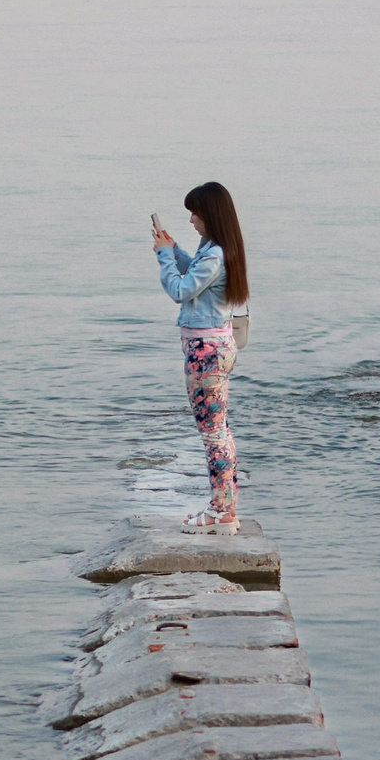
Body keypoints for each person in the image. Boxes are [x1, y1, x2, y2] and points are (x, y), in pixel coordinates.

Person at [151, 182, 251, 533]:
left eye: (195, 214)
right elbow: (194, 273)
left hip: (205, 352)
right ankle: (224, 508)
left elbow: (180, 290)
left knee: (213, 434)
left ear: (210, 216)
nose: (192, 220)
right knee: (219, 430)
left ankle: (221, 512)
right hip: (216, 348)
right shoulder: (217, 249)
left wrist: (164, 256)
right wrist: (174, 249)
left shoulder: (214, 255)